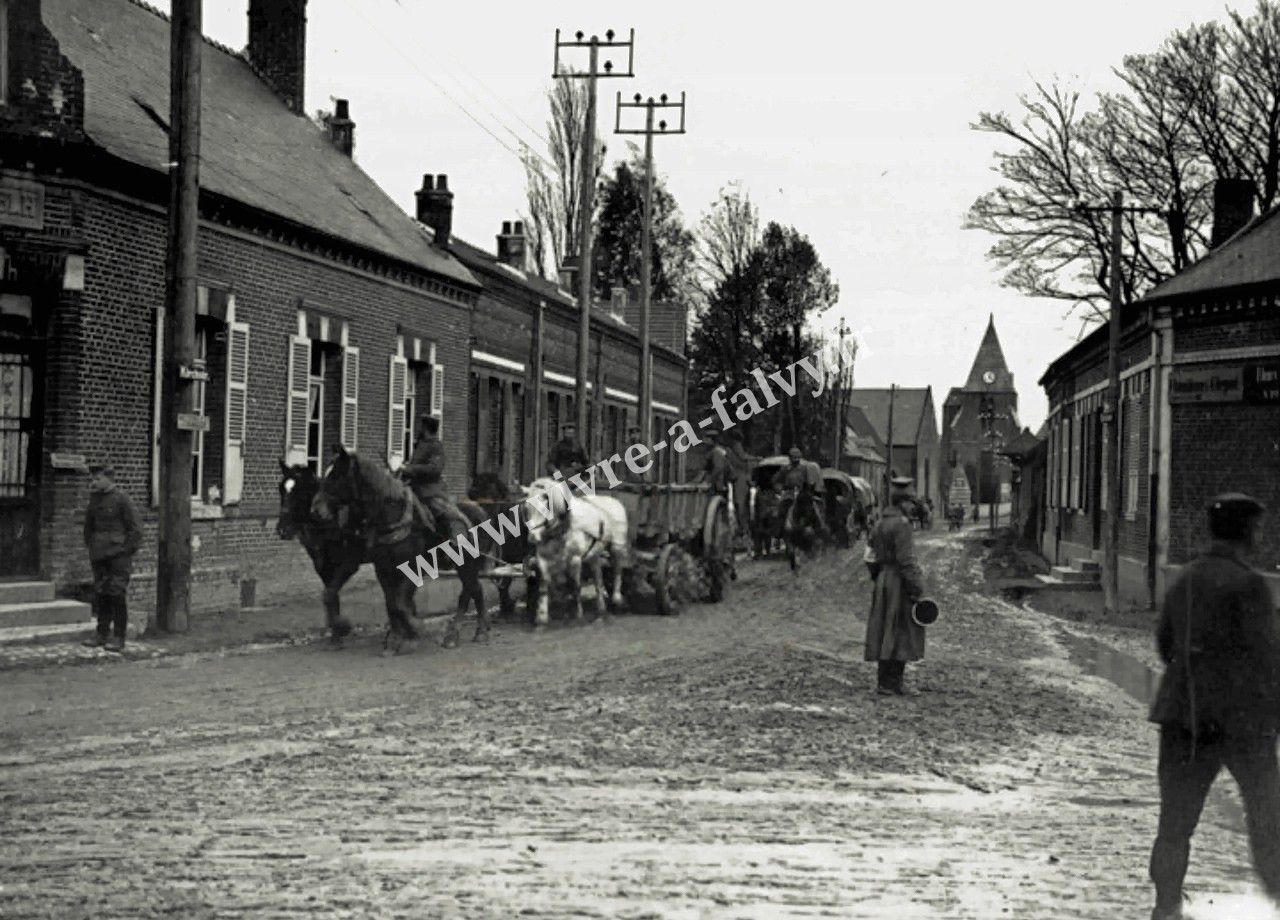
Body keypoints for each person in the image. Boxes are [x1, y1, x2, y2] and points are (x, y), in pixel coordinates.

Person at [1147, 492, 1280, 920]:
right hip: (1243, 724)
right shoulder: (1251, 584)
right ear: (1248, 533)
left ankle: (1166, 907)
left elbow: (1165, 644)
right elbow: (1268, 656)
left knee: (1176, 821)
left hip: (1184, 716)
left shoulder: (1184, 579)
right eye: (1257, 528)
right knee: (1267, 817)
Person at [863, 475, 926, 695]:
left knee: (883, 630)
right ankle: (895, 682)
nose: (912, 507)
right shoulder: (902, 525)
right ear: (903, 502)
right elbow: (906, 560)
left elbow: (869, 555)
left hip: (883, 578)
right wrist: (917, 587)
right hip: (899, 581)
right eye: (910, 502)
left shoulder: (880, 523)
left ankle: (883, 681)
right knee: (901, 631)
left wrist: (878, 576)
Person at [82, 463, 141, 652]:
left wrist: (125, 551)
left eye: (98, 478)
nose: (94, 482)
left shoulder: (122, 499)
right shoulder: (94, 499)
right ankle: (101, 634)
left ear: (109, 478)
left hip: (118, 555)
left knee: (116, 593)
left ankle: (119, 637)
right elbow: (88, 527)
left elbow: (135, 529)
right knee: (101, 593)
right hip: (99, 554)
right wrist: (92, 546)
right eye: (93, 479)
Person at [401, 415, 471, 538]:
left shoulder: (436, 446)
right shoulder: (420, 444)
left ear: (426, 428)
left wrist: (410, 469)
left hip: (430, 491)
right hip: (414, 489)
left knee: (442, 513)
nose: (418, 429)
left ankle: (452, 540)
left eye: (421, 426)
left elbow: (434, 469)